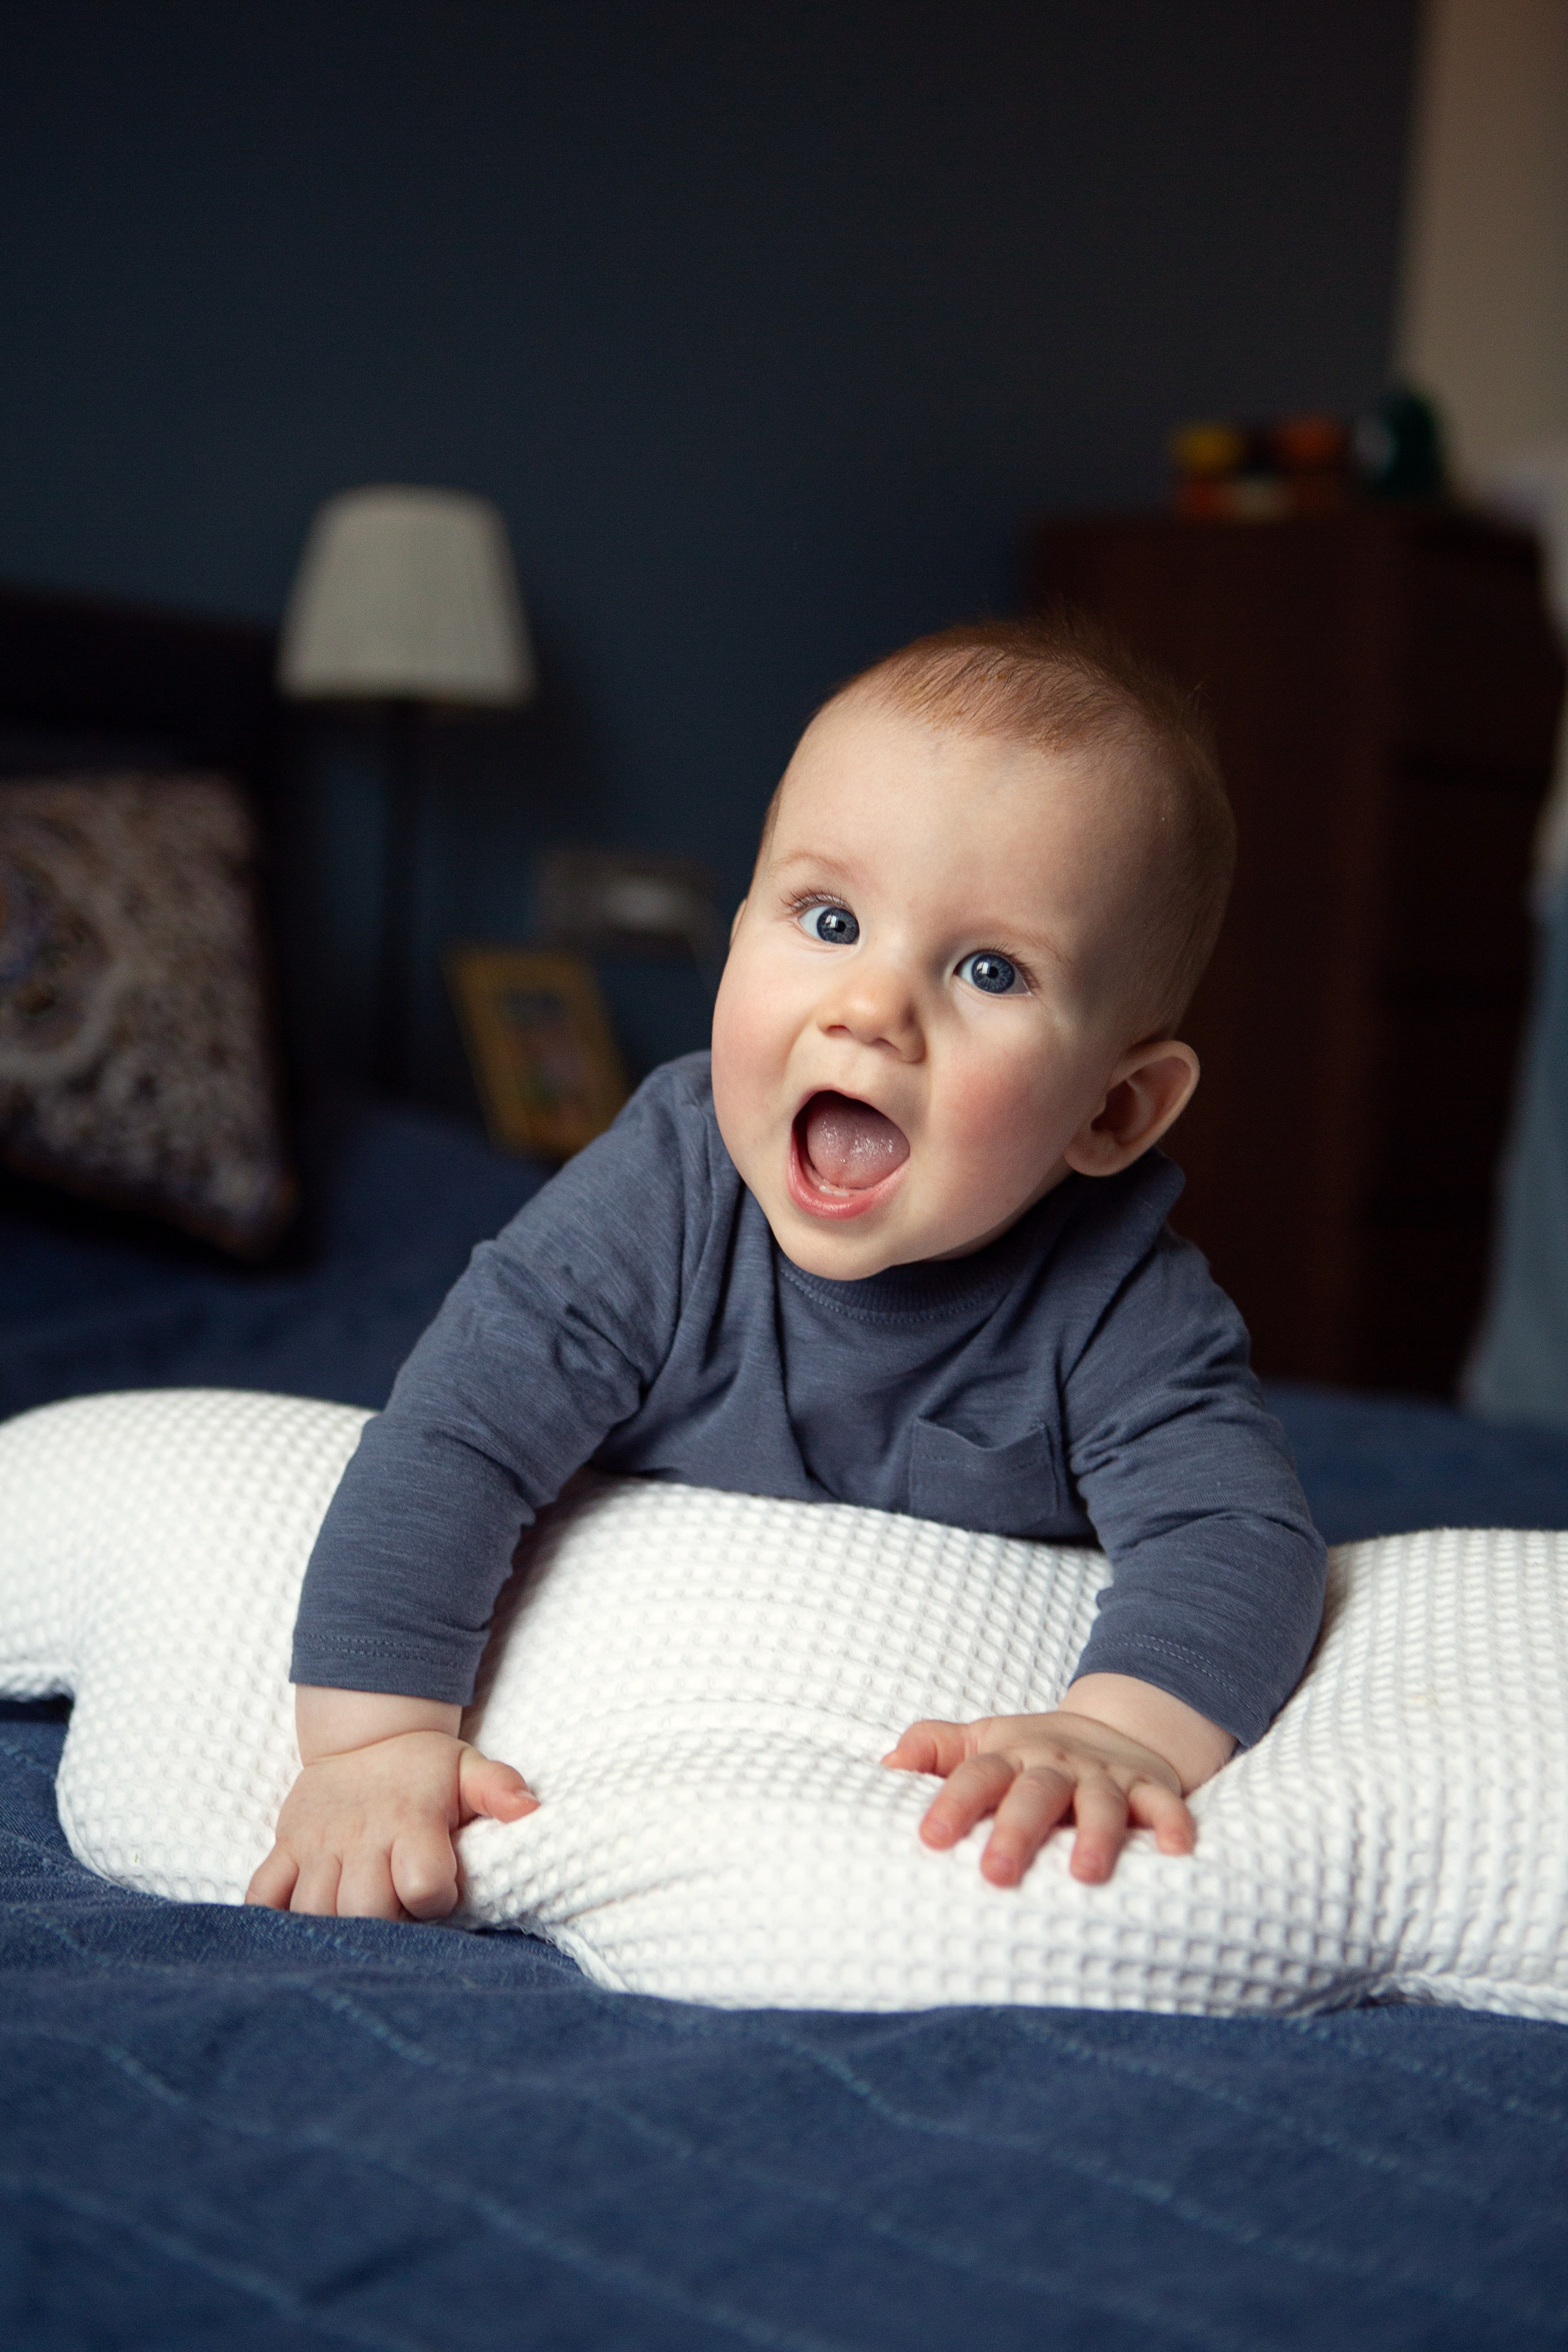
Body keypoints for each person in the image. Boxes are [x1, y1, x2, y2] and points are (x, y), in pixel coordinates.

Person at [247, 615, 1325, 1923]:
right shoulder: (662, 1193)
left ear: (1114, 1111)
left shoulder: (1115, 1301)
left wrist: (1118, 1732)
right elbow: (454, 1441)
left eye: (988, 969)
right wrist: (370, 1748)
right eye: (827, 917)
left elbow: (1236, 1536)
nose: (869, 1007)